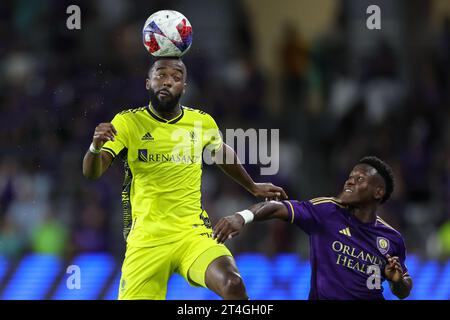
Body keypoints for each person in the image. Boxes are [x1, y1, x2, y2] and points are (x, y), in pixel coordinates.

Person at [82, 57, 287, 300]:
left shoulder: (201, 122)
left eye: (176, 78)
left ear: (184, 88)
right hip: (147, 240)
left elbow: (221, 153)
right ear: (148, 83)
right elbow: (92, 172)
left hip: (192, 234)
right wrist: (95, 147)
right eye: (161, 75)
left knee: (233, 284)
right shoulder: (128, 122)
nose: (168, 82)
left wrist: (252, 186)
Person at [213, 156, 413, 300]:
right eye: (350, 176)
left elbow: (403, 289)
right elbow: (277, 207)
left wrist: (397, 282)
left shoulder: (392, 239)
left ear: (378, 192)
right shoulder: (326, 212)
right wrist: (242, 216)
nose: (350, 180)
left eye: (360, 179)